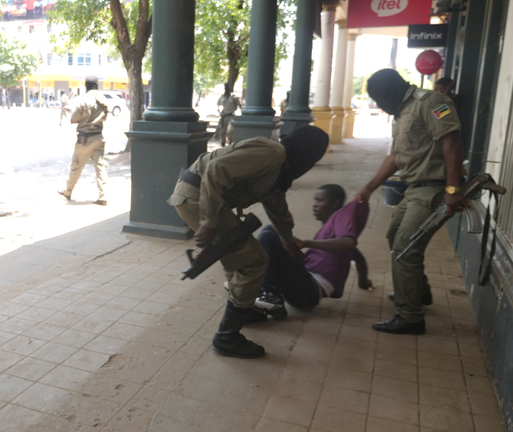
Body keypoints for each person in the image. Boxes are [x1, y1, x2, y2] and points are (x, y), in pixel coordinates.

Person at [168, 126, 330, 358]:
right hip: (197, 196)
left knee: (239, 256)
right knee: (253, 260)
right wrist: (208, 223)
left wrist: (290, 244)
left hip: (204, 198)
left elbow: (278, 209)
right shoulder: (272, 154)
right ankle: (227, 336)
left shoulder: (278, 168)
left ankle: (244, 309)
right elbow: (215, 170)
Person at [357, 69, 468, 335]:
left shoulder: (431, 102)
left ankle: (410, 317)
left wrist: (453, 189)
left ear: (389, 92)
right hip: (413, 189)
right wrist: (369, 187)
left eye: (379, 99)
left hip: (434, 189)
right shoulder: (402, 111)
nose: (381, 106)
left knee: (405, 248)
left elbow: (451, 141)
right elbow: (396, 155)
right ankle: (419, 291)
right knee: (394, 235)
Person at [250, 184, 371, 318]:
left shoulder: (340, 218)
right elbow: (359, 258)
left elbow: (349, 243)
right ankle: (261, 290)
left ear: (334, 204)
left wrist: (306, 243)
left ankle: (271, 297)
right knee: (272, 230)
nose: (314, 205)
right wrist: (363, 282)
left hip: (307, 292)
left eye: (319, 201)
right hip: (303, 288)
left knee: (268, 236)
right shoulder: (330, 236)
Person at [58, 75, 110, 206]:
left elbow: (73, 119)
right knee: (101, 167)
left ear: (86, 85)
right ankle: (103, 196)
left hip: (85, 139)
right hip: (99, 137)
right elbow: (105, 116)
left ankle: (68, 191)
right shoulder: (103, 99)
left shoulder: (82, 99)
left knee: (76, 166)